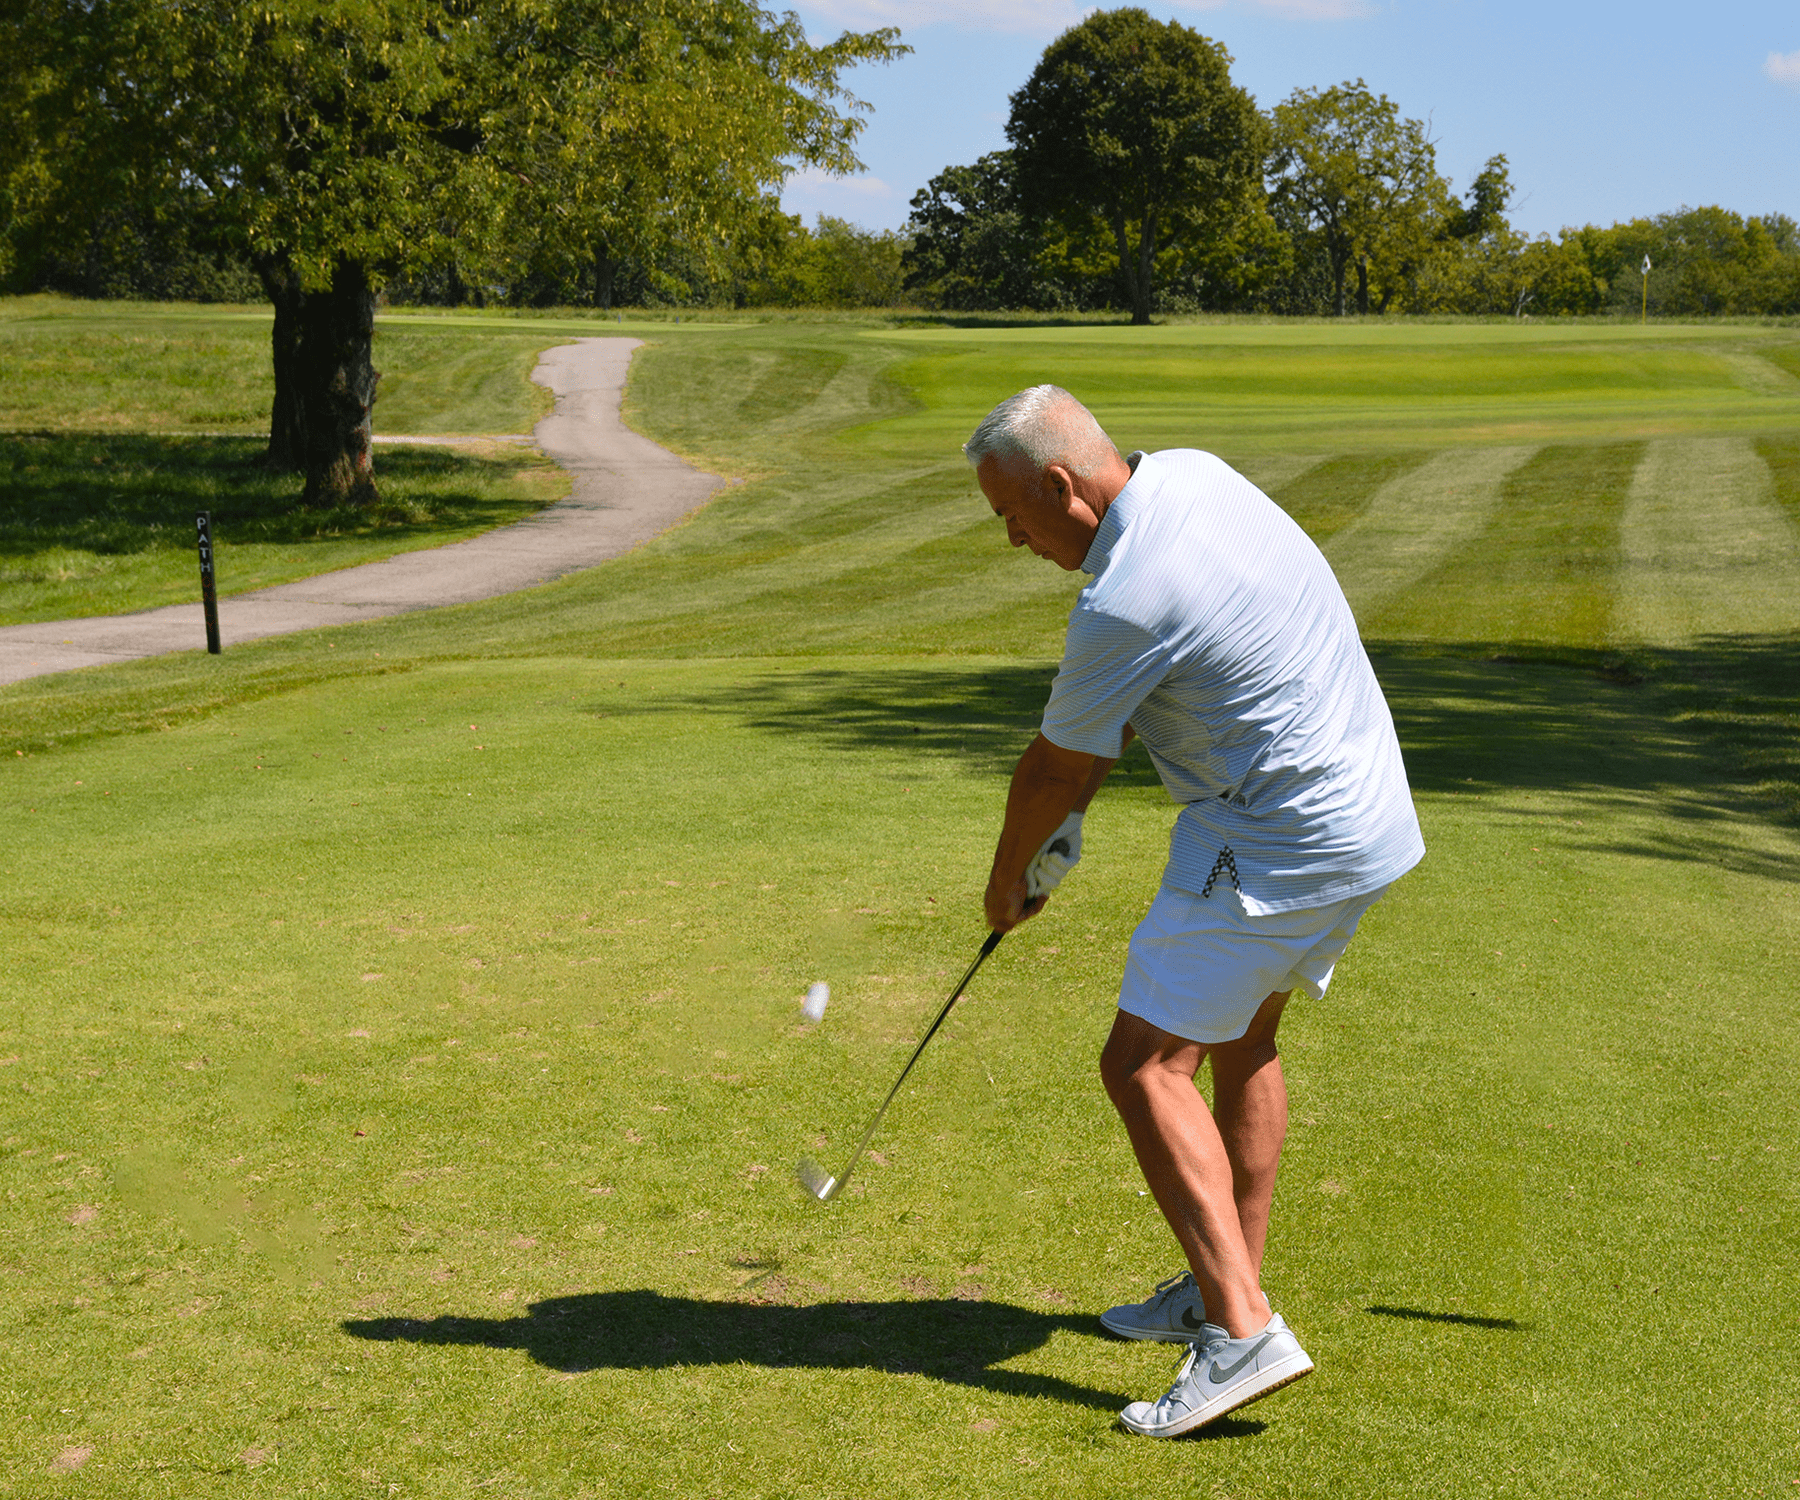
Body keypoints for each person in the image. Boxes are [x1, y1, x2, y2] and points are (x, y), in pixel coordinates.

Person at [968, 385, 1424, 1438]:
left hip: (1278, 834)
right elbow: (1109, 737)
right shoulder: (1195, 477)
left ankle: (1241, 1330)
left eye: (1012, 516)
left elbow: (1055, 765)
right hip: (1364, 813)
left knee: (1141, 1063)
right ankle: (1225, 1282)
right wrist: (1063, 825)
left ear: (1059, 486)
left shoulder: (1125, 593)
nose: (1012, 539)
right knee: (1240, 1040)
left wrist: (1006, 882)